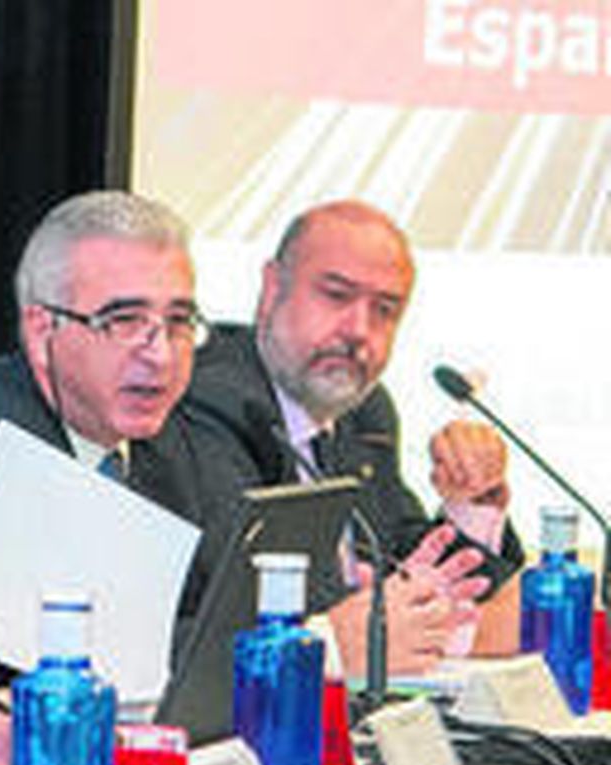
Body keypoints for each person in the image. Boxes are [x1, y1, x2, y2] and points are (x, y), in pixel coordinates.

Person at [0, 191, 240, 679]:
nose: (160, 354)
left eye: (179, 322)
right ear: (41, 331)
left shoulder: (161, 434)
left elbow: (226, 602)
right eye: (124, 321)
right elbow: (112, 656)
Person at [182, 199, 521, 674]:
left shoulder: (365, 413)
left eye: (385, 310)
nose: (359, 331)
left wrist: (472, 504)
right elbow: (256, 602)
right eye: (336, 296)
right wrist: (386, 617)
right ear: (271, 289)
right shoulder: (212, 402)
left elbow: (407, 552)